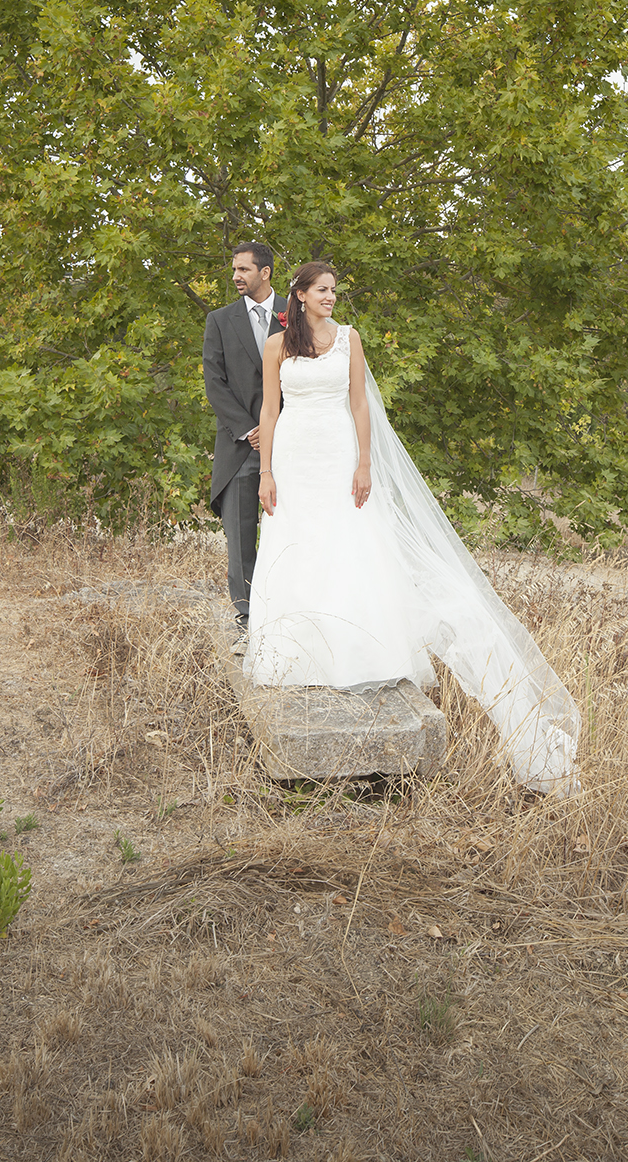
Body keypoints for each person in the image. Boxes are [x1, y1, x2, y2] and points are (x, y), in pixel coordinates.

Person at [244, 261, 581, 795]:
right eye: (323, 291)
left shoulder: (349, 340)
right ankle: (298, 653)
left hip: (337, 453)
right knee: (297, 544)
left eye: (334, 290)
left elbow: (359, 404)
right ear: (301, 296)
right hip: (292, 456)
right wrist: (264, 472)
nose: (332, 298)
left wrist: (364, 463)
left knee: (345, 546)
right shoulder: (276, 347)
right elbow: (269, 409)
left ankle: (353, 651)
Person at [202, 241, 284, 641]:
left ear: (264, 272)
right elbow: (214, 384)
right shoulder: (219, 320)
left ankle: (288, 609)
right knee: (239, 534)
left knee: (289, 529)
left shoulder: (295, 314)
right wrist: (249, 430)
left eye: (244, 270)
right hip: (239, 446)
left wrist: (276, 429)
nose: (236, 276)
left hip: (289, 442)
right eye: (234, 270)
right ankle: (247, 619)